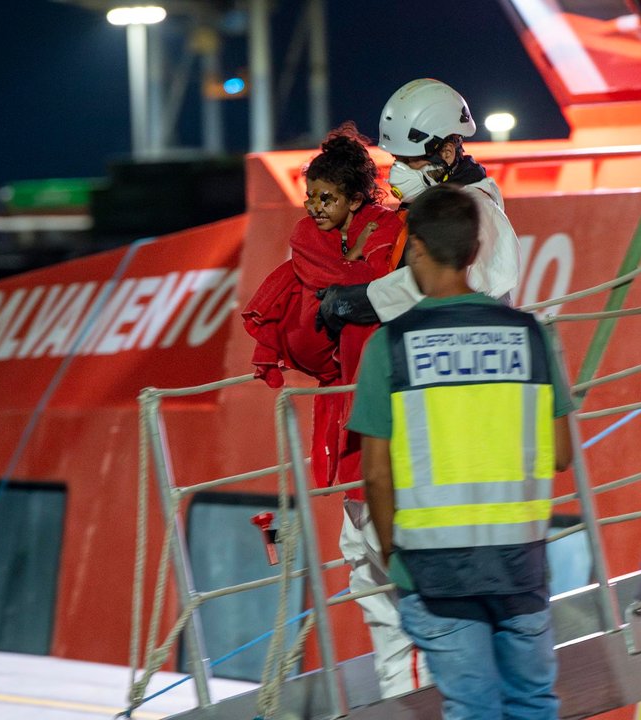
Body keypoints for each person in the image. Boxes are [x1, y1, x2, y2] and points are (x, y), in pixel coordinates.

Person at [348, 184, 573, 719]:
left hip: (435, 572)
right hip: (519, 565)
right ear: (475, 252)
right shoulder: (530, 335)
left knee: (472, 708)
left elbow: (376, 475)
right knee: (533, 703)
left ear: (417, 249)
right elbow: (560, 454)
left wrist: (391, 555)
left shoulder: (391, 345)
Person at [242, 124, 424, 697]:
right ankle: (402, 697)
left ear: (356, 197)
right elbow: (338, 291)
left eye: (327, 199)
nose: (315, 209)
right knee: (366, 565)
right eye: (311, 196)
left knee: (388, 557)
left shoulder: (389, 232)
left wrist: (341, 298)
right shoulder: (315, 239)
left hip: (378, 406)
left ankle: (422, 697)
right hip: (343, 401)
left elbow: (366, 290)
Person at [317, 78, 521, 335]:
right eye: (396, 159)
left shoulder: (478, 209)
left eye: (409, 161)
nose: (397, 171)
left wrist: (361, 300)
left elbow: (440, 279)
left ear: (446, 153)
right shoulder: (427, 207)